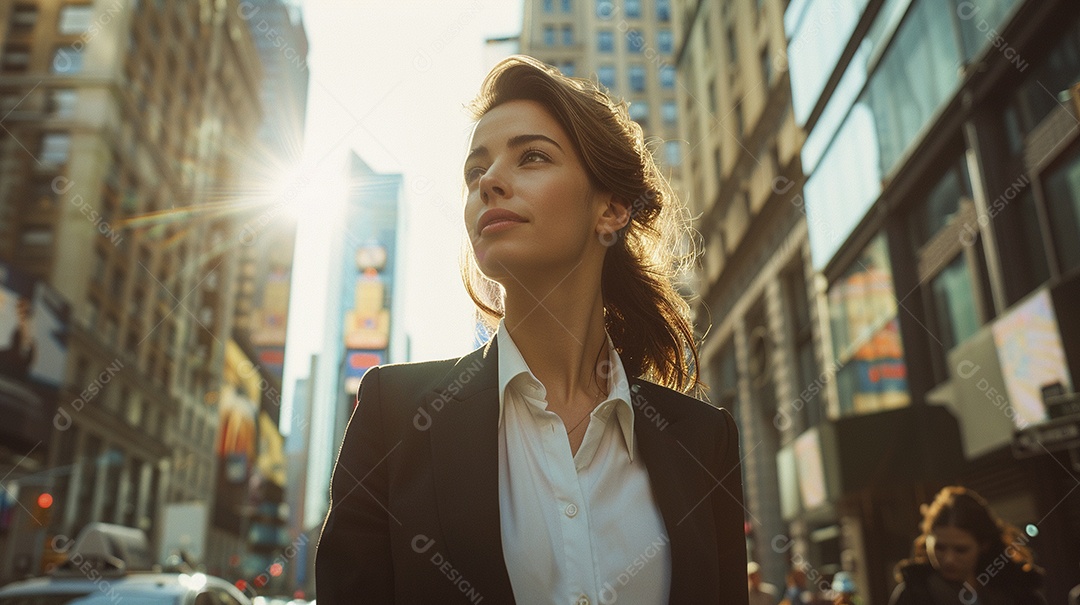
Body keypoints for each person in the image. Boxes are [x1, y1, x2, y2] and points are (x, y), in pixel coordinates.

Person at [315, 55, 749, 604]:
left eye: (532, 157)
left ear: (612, 209)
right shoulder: (392, 416)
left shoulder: (702, 441)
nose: (490, 182)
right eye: (476, 172)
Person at [890, 486, 1046, 605]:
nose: (949, 559)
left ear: (983, 545)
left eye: (961, 550)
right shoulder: (914, 596)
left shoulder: (1018, 593)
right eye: (940, 547)